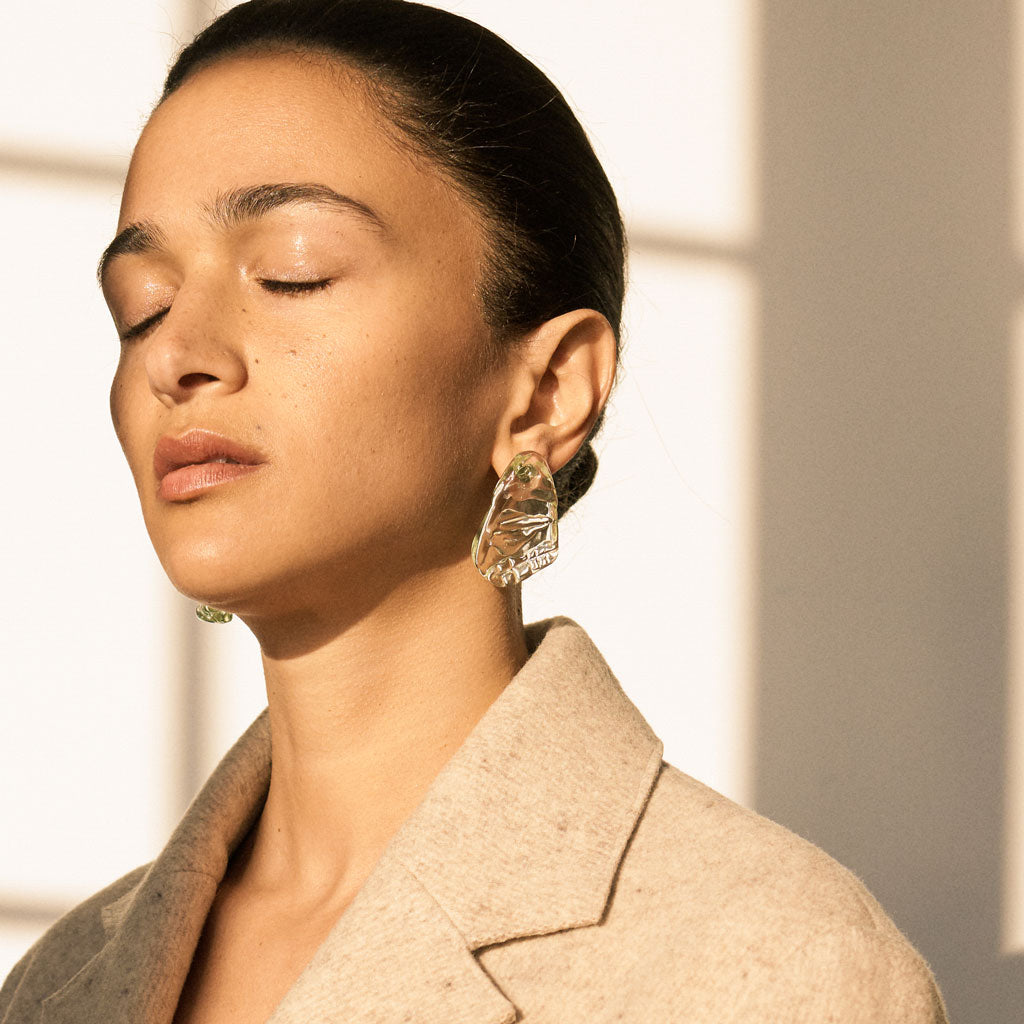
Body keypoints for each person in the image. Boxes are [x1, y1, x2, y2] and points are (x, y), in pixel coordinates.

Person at [0, 1, 949, 1021]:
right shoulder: (57, 983)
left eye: (291, 272)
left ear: (549, 392)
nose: (175, 354)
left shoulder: (775, 962)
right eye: (140, 305)